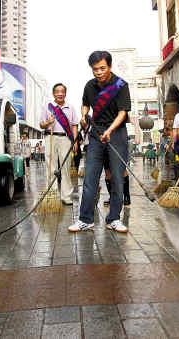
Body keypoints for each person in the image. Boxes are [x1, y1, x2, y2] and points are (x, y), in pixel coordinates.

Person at [69, 51, 131, 233]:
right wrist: (82, 115)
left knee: (117, 178)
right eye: (95, 69)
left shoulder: (121, 85)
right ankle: (85, 219)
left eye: (102, 68)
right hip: (96, 133)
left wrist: (110, 130)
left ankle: (113, 219)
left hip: (117, 133)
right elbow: (86, 104)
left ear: (110, 67)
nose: (99, 72)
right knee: (90, 177)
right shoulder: (90, 86)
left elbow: (123, 112)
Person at [39, 83, 79, 205]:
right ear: (54, 94)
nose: (60, 94)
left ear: (65, 93)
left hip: (65, 139)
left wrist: (75, 141)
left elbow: (74, 125)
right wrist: (48, 122)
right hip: (50, 137)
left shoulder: (70, 107)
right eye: (57, 91)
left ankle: (66, 196)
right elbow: (41, 125)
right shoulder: (47, 107)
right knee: (51, 167)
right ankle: (53, 195)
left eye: (62, 91)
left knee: (65, 167)